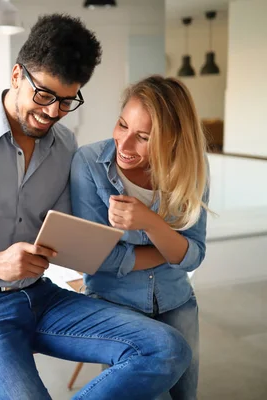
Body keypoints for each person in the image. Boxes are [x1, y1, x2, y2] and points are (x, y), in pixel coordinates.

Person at [0, 15, 191, 400]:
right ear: (17, 75)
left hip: (42, 295)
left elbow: (71, 233)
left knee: (168, 349)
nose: (54, 112)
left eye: (67, 100)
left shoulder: (66, 146)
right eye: (44, 96)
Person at [70, 75, 209, 400]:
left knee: (185, 397)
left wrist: (149, 222)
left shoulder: (191, 168)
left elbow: (194, 254)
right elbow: (97, 259)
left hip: (177, 302)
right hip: (116, 307)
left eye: (143, 137)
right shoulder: (89, 164)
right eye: (122, 125)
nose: (125, 143)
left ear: (173, 139)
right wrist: (167, 247)